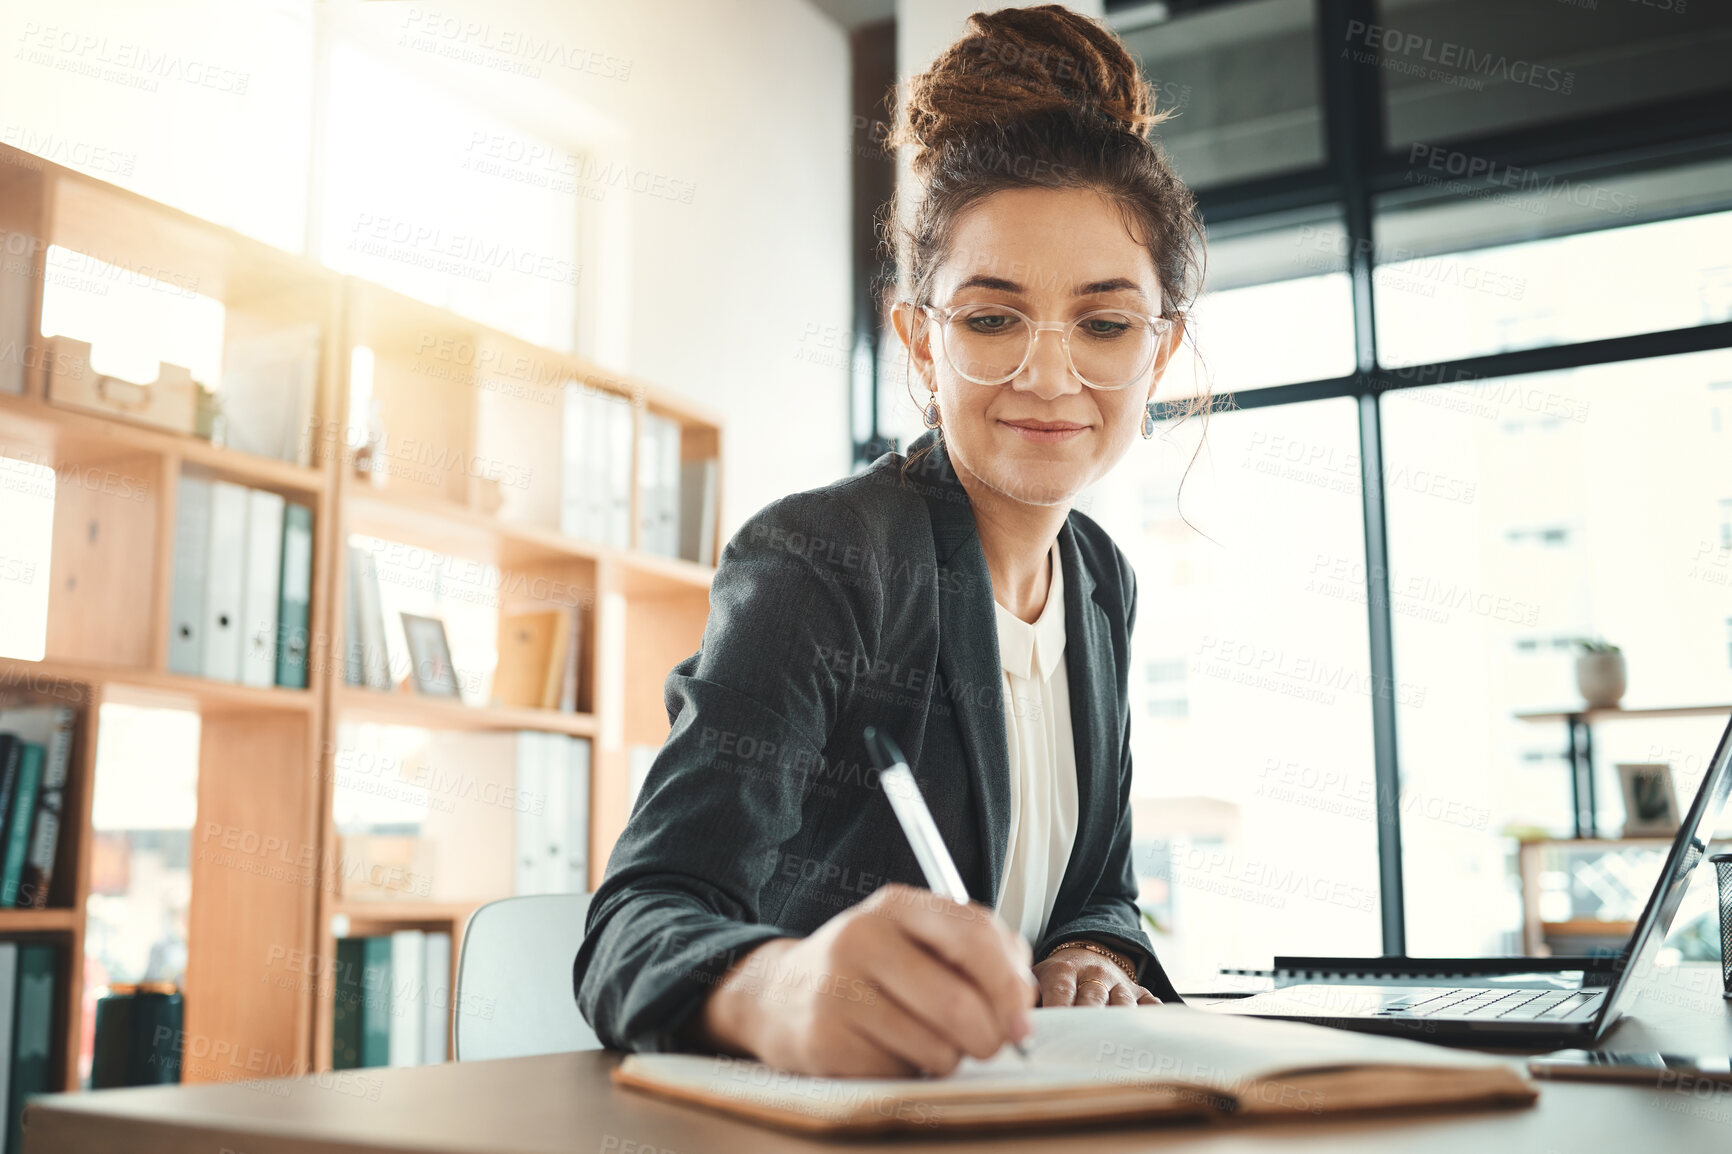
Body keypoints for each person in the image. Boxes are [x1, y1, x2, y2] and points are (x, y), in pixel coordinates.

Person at [574, 3, 1206, 1078]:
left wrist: (1093, 947)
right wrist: (782, 984)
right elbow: (643, 912)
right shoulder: (823, 559)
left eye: (1102, 323)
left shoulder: (1100, 581)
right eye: (992, 318)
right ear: (921, 338)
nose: (1049, 375)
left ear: (1160, 347)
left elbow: (1100, 880)